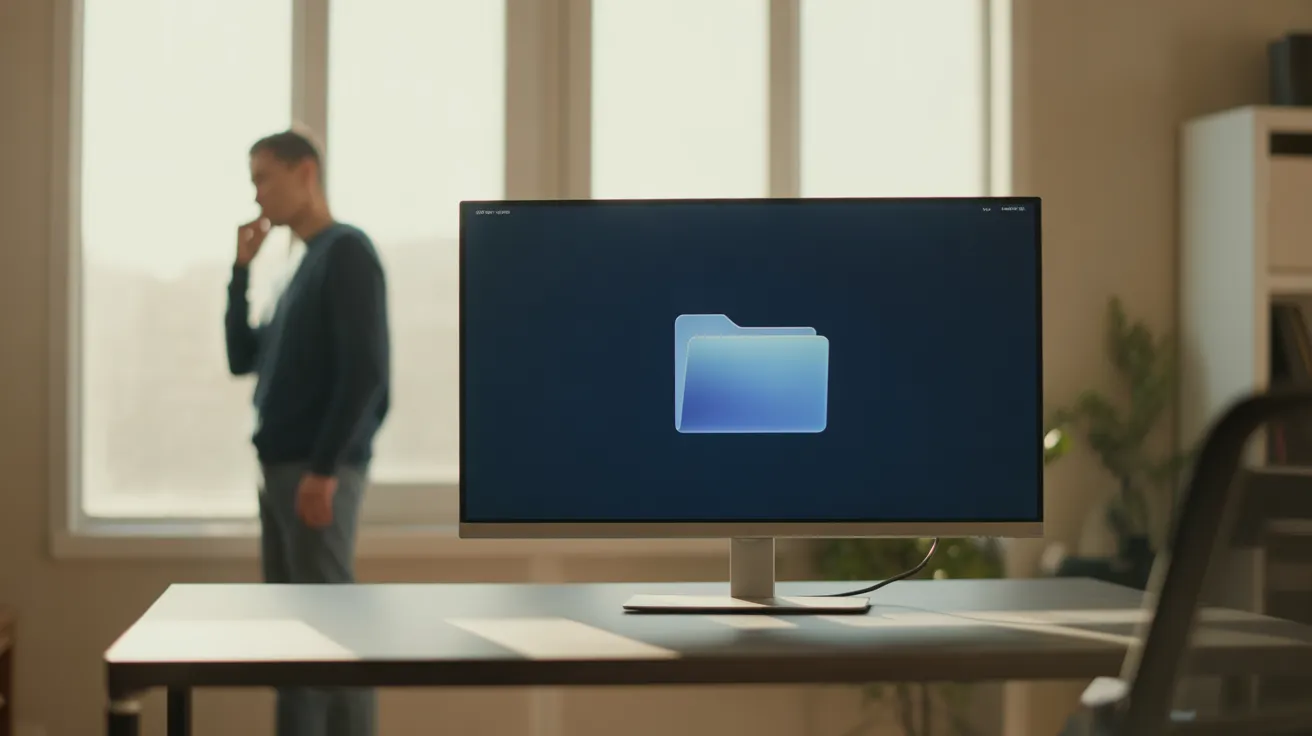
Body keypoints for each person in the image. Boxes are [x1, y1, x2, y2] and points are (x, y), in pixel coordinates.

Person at [225, 129, 389, 736]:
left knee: (323, 638)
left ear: (306, 174)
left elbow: (366, 370)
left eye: (265, 177)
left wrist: (324, 468)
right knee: (293, 637)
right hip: (281, 473)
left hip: (315, 474)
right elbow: (242, 357)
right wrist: (241, 271)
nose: (257, 194)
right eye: (253, 181)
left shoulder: (346, 252)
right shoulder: (293, 266)